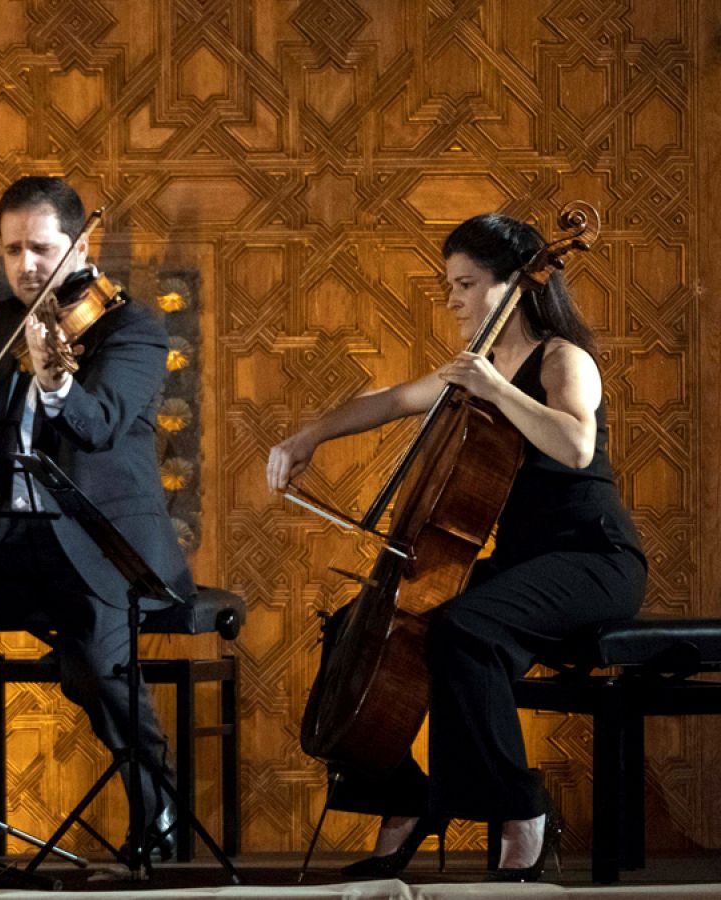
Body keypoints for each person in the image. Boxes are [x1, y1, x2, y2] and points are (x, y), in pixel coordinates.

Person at [266, 213, 646, 882]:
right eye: (450, 286)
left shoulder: (564, 359)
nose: (452, 300)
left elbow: (576, 446)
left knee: (466, 630)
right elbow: (389, 400)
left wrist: (494, 388)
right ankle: (401, 798)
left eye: (466, 284)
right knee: (360, 624)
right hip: (525, 565)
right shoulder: (476, 368)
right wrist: (308, 437)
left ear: (515, 287)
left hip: (594, 559)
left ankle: (521, 811)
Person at [0, 175, 195, 855]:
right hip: (3, 544)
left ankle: (161, 817)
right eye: (11, 250)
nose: (26, 265)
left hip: (95, 545)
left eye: (41, 248)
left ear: (82, 245)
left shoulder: (131, 328)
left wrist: (56, 382)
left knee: (99, 670)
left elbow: (100, 425)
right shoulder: (2, 324)